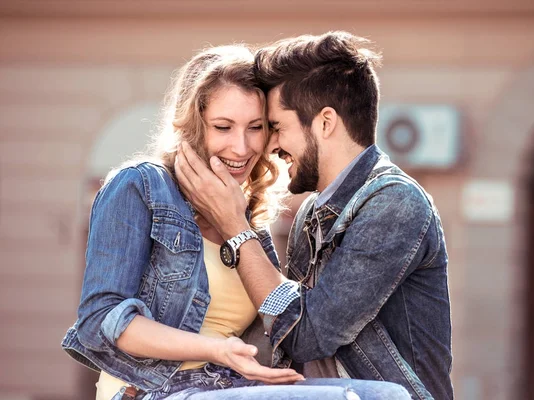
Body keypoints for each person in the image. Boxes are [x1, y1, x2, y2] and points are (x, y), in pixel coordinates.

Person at [61, 44, 411, 400]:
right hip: (156, 389)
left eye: (256, 127)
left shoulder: (244, 216)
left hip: (232, 386)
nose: (241, 147)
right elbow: (98, 321)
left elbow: (283, 326)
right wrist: (216, 350)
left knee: (386, 395)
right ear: (194, 125)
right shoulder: (139, 186)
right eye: (223, 127)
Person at [175, 31, 453, 400]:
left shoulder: (395, 203)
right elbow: (280, 336)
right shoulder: (314, 211)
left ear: (324, 123)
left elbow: (306, 335)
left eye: (276, 127)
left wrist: (234, 227)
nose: (270, 146)